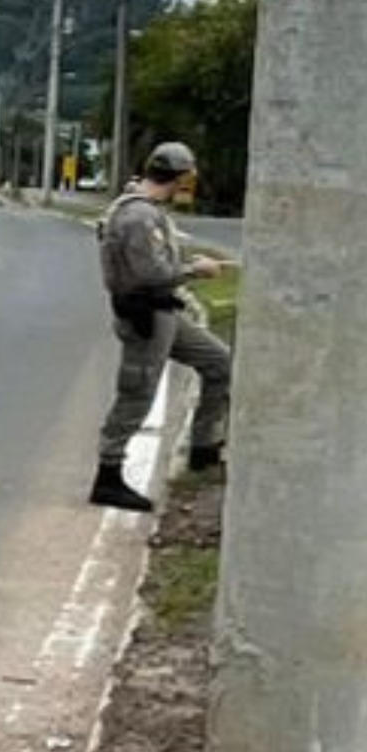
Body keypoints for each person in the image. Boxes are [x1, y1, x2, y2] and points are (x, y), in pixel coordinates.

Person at [90, 140, 232, 512]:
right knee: (137, 392)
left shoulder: (146, 210)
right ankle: (108, 474)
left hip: (165, 312)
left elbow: (153, 260)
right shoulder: (138, 216)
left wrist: (187, 263)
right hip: (146, 315)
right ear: (180, 177)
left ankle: (204, 447)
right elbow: (150, 274)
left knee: (218, 361)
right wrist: (195, 271)